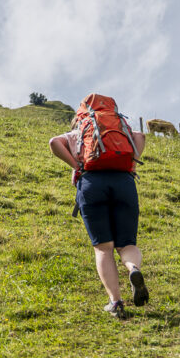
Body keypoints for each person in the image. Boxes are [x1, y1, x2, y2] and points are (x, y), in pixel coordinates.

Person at [49, 114, 148, 320]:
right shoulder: (121, 130)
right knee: (127, 244)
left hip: (92, 184)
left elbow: (54, 142)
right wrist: (132, 166)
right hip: (124, 182)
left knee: (103, 247)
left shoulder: (79, 131)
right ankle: (133, 269)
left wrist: (77, 166)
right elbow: (140, 136)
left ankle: (116, 303)